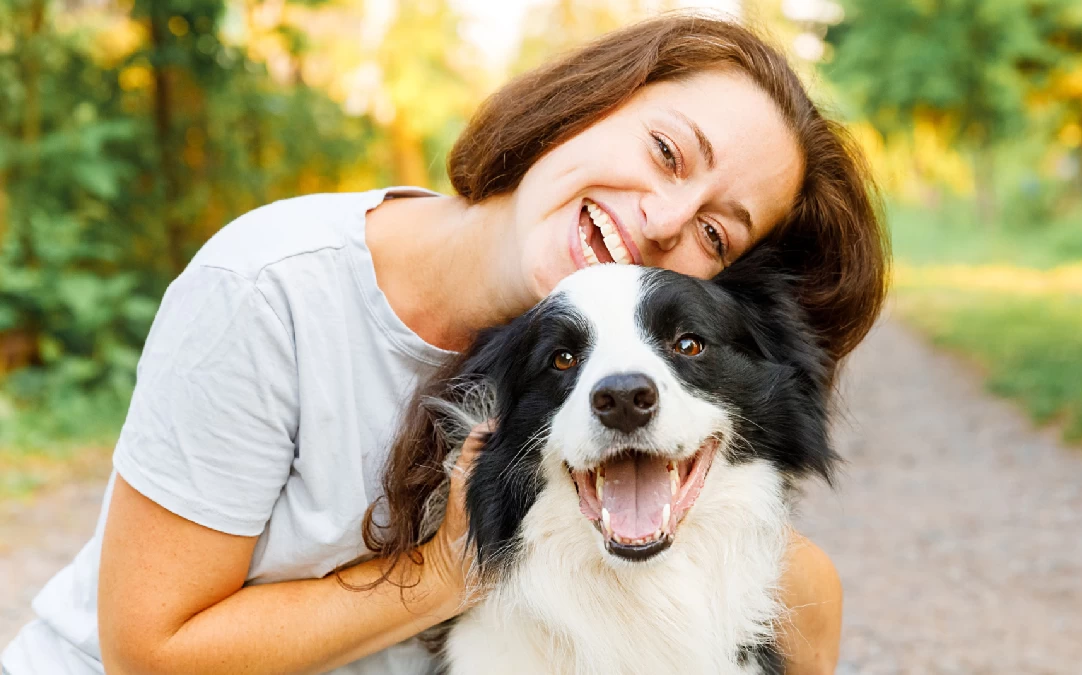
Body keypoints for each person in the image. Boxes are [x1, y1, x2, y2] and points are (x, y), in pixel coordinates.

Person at [1, 13, 887, 675]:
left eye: (717, 234)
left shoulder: (596, 389)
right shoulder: (270, 287)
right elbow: (147, 650)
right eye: (665, 150)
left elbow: (782, 576)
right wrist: (444, 571)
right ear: (586, 104)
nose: (659, 218)